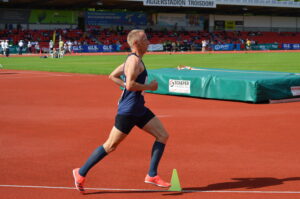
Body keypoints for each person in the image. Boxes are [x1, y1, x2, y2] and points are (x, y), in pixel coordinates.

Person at [72, 29, 170, 194]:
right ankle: (80, 173)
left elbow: (112, 76)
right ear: (136, 43)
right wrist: (149, 87)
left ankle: (152, 174)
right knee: (110, 145)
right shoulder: (133, 61)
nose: (149, 42)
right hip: (129, 111)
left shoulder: (134, 60)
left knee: (163, 135)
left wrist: (127, 89)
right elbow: (130, 84)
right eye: (145, 39)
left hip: (138, 108)